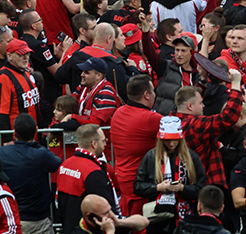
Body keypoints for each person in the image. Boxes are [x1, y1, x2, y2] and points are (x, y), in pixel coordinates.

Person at [0, 113, 62, 234]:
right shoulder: (40, 154)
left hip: (12, 218)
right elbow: (57, 163)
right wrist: (34, 144)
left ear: (14, 133)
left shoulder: (2, 153)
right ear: (36, 131)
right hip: (38, 222)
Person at [134, 116, 207, 223]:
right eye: (167, 140)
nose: (171, 143)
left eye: (174, 139)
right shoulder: (151, 156)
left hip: (186, 215)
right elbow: (137, 187)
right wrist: (158, 187)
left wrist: (183, 188)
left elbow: (202, 187)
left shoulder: (192, 157)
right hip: (160, 217)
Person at [110, 74, 163, 216]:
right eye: (153, 91)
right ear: (146, 95)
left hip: (123, 182)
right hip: (141, 188)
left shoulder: (118, 113)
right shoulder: (150, 118)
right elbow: (178, 131)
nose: (155, 95)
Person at [57, 124, 120, 233]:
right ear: (94, 144)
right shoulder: (93, 171)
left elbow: (59, 202)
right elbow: (106, 211)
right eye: (103, 141)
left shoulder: (64, 165)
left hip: (69, 228)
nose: (105, 144)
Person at [0, 38, 41, 129]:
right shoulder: (3, 78)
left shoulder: (26, 73)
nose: (26, 58)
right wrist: (7, 139)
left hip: (32, 136)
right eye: (21, 54)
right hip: (16, 138)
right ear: (9, 56)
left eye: (27, 54)